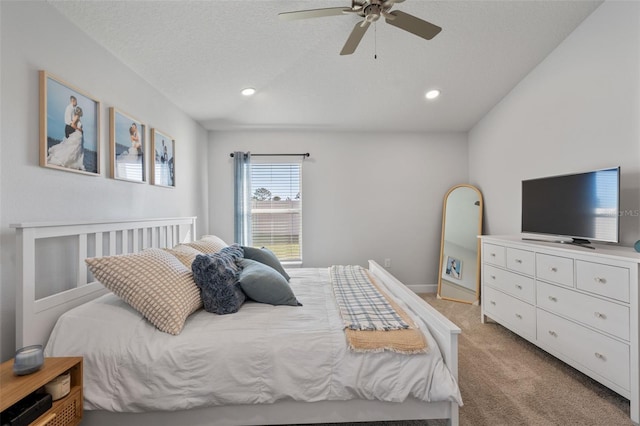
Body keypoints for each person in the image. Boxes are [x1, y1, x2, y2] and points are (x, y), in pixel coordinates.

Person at [48, 106, 85, 170]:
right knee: (73, 148)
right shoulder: (76, 117)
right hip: (77, 134)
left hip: (79, 136)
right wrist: (79, 129)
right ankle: (68, 161)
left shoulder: (77, 117)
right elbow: (72, 125)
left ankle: (74, 162)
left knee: (76, 150)